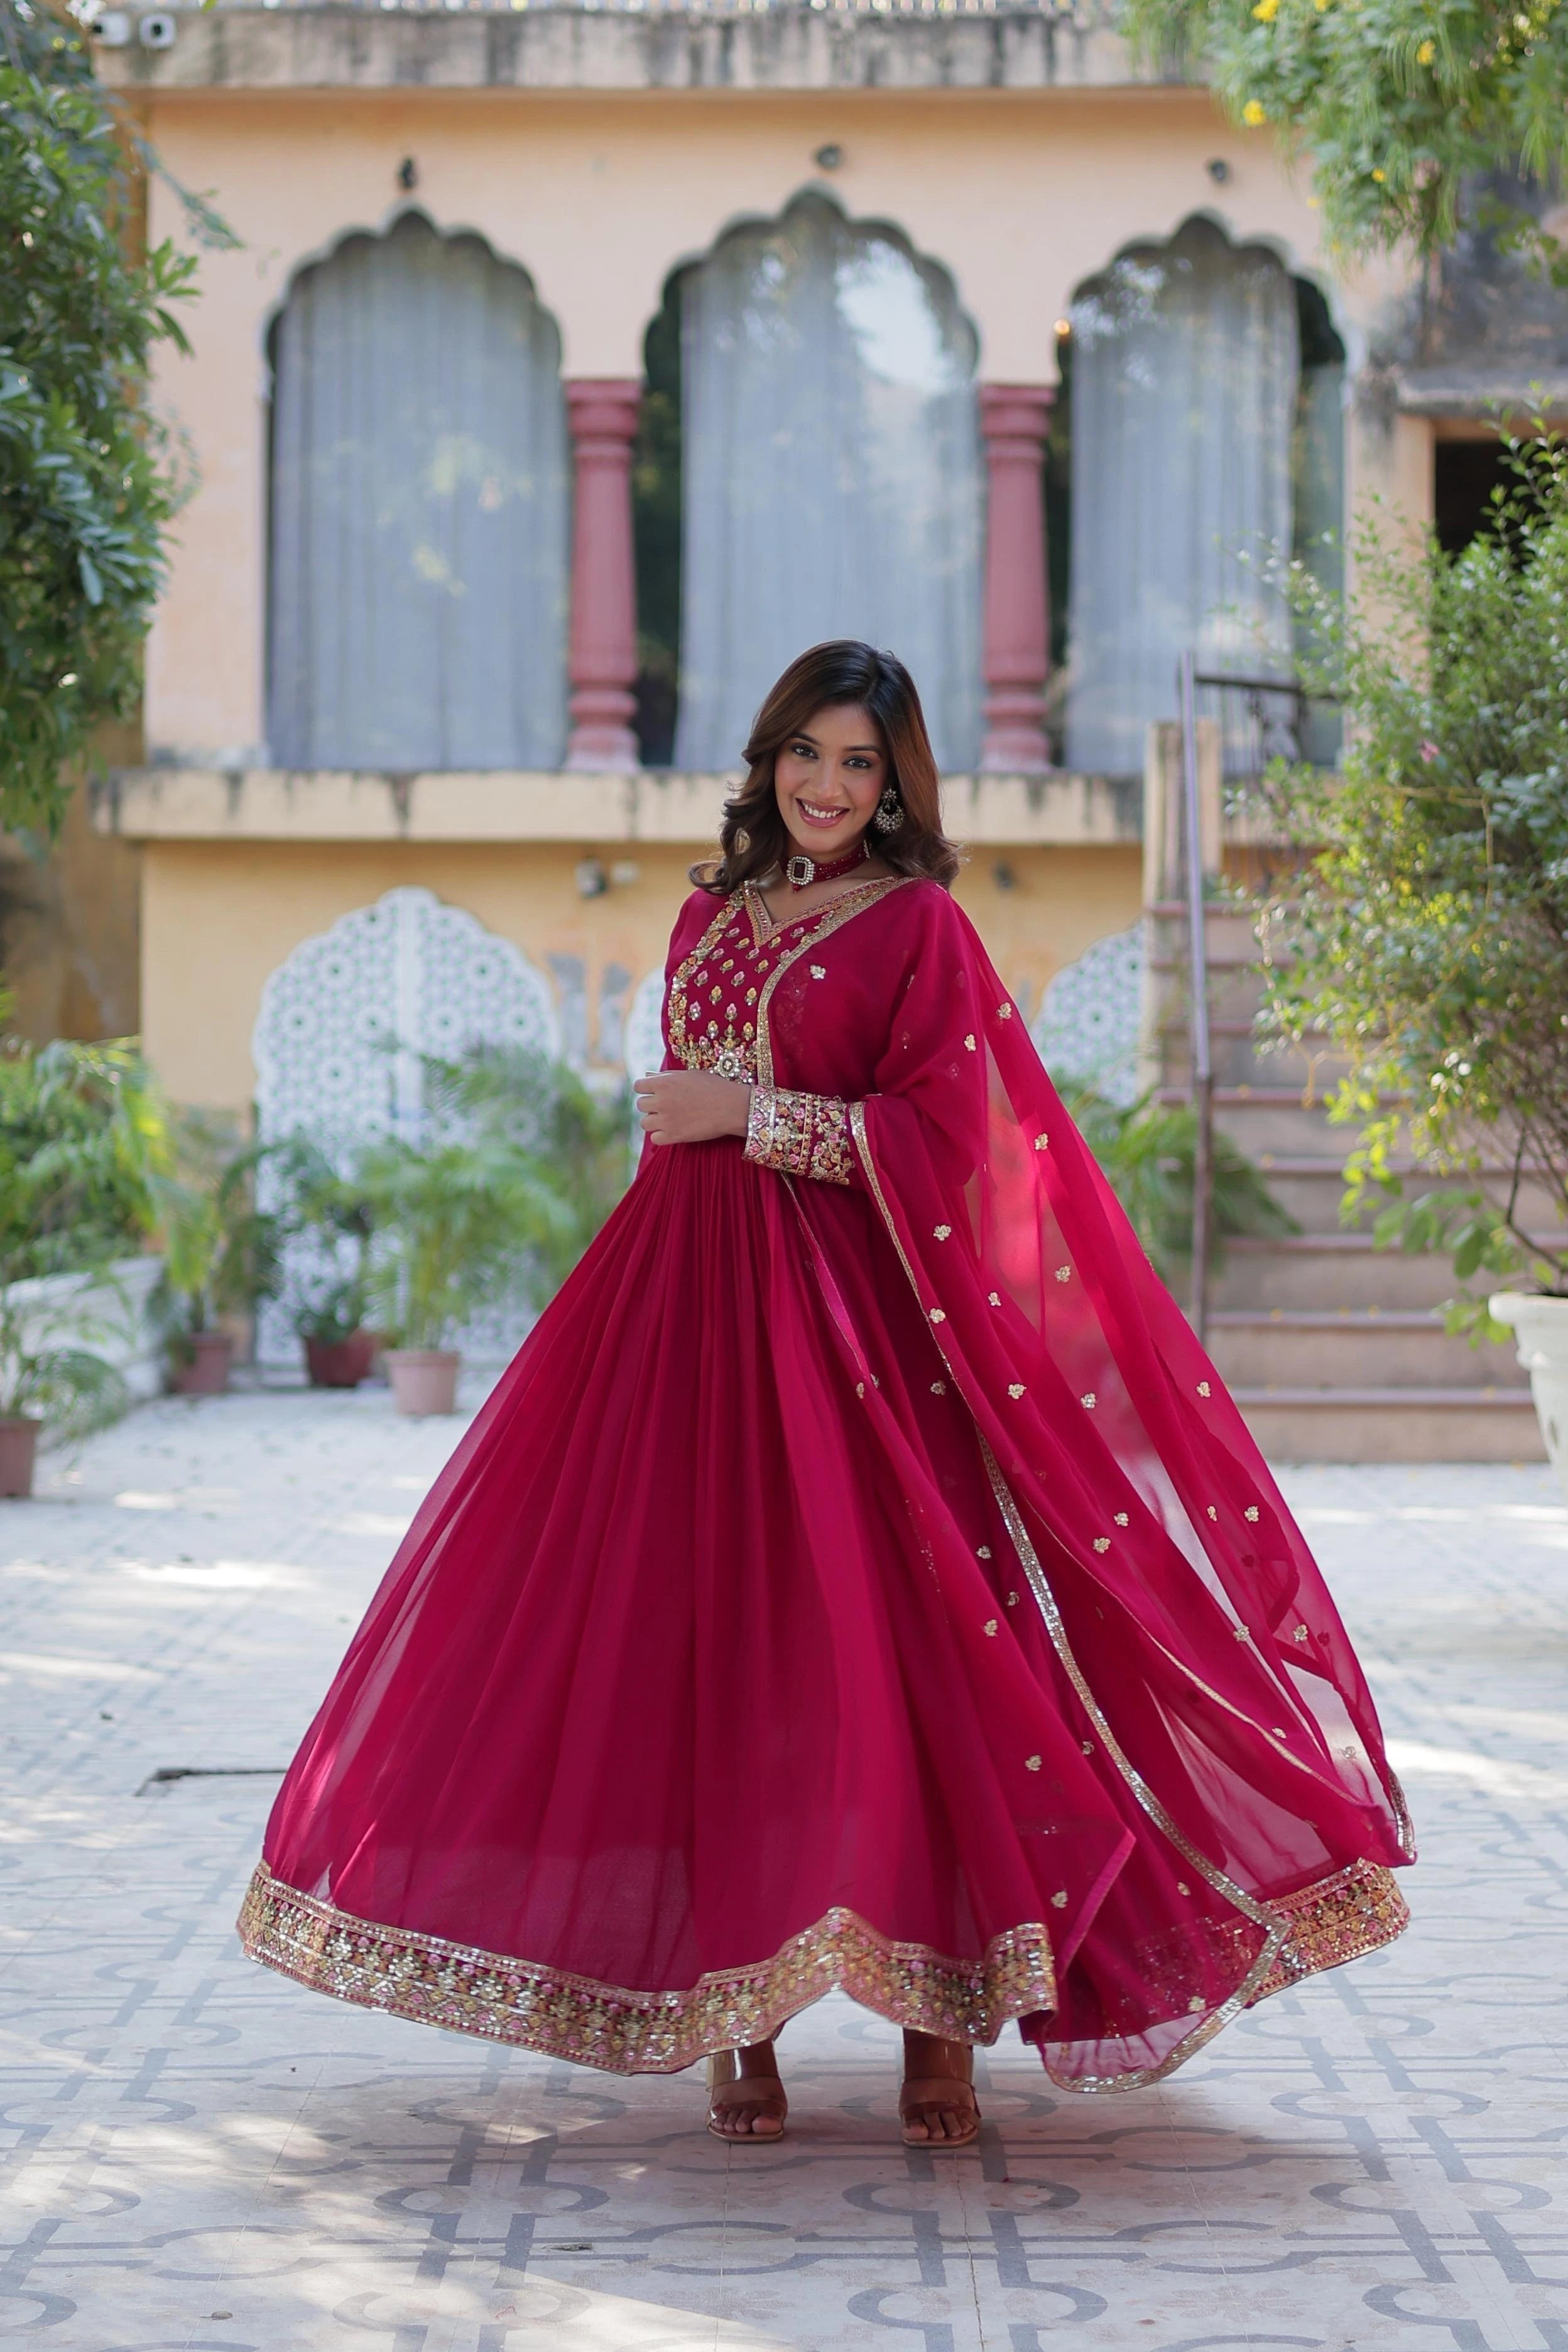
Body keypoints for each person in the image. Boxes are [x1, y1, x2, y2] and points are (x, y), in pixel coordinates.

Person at [239, 640, 1412, 2149]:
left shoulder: (919, 926)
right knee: (718, 1647)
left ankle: (944, 2024)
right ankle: (741, 2016)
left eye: (860, 763)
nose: (828, 785)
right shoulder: (707, 912)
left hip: (868, 1340)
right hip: (687, 1320)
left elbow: (950, 1136)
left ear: (895, 784)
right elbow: (682, 1115)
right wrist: (701, 1132)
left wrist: (751, 1115)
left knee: (915, 1660)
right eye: (808, 752)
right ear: (769, 756)